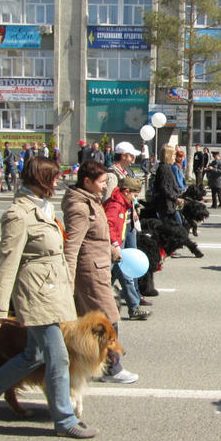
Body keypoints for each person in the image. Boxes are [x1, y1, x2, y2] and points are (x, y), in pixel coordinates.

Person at [0, 157, 98, 438]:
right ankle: (64, 421)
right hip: (36, 295)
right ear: (40, 179)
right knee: (58, 357)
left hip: (52, 291)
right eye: (53, 177)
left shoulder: (41, 206)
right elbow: (6, 264)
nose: (57, 182)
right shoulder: (19, 214)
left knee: (33, 355)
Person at [63, 160, 138, 382]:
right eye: (102, 182)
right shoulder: (80, 207)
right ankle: (111, 369)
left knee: (94, 322)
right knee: (109, 321)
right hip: (90, 272)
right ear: (87, 181)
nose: (105, 186)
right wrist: (68, 281)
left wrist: (113, 251)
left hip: (99, 266)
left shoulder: (91, 200)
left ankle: (88, 364)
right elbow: (72, 247)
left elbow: (98, 235)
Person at [102, 141, 149, 308]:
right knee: (122, 261)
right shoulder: (112, 174)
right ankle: (129, 300)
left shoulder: (126, 171)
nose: (133, 158)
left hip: (129, 222)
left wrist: (134, 208)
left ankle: (133, 294)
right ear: (123, 156)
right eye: (130, 155)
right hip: (119, 224)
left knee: (130, 260)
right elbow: (110, 202)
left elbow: (131, 197)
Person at [105, 176, 152, 320]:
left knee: (120, 276)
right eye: (134, 195)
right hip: (113, 246)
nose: (135, 199)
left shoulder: (122, 202)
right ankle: (131, 307)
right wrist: (115, 245)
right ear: (126, 191)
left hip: (118, 243)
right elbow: (109, 226)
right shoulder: (115, 205)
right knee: (119, 276)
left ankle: (132, 307)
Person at [152, 145, 182, 225]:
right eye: (173, 155)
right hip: (166, 204)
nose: (174, 157)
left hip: (169, 204)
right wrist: (174, 198)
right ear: (168, 155)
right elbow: (164, 187)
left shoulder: (166, 167)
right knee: (176, 226)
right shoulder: (164, 168)